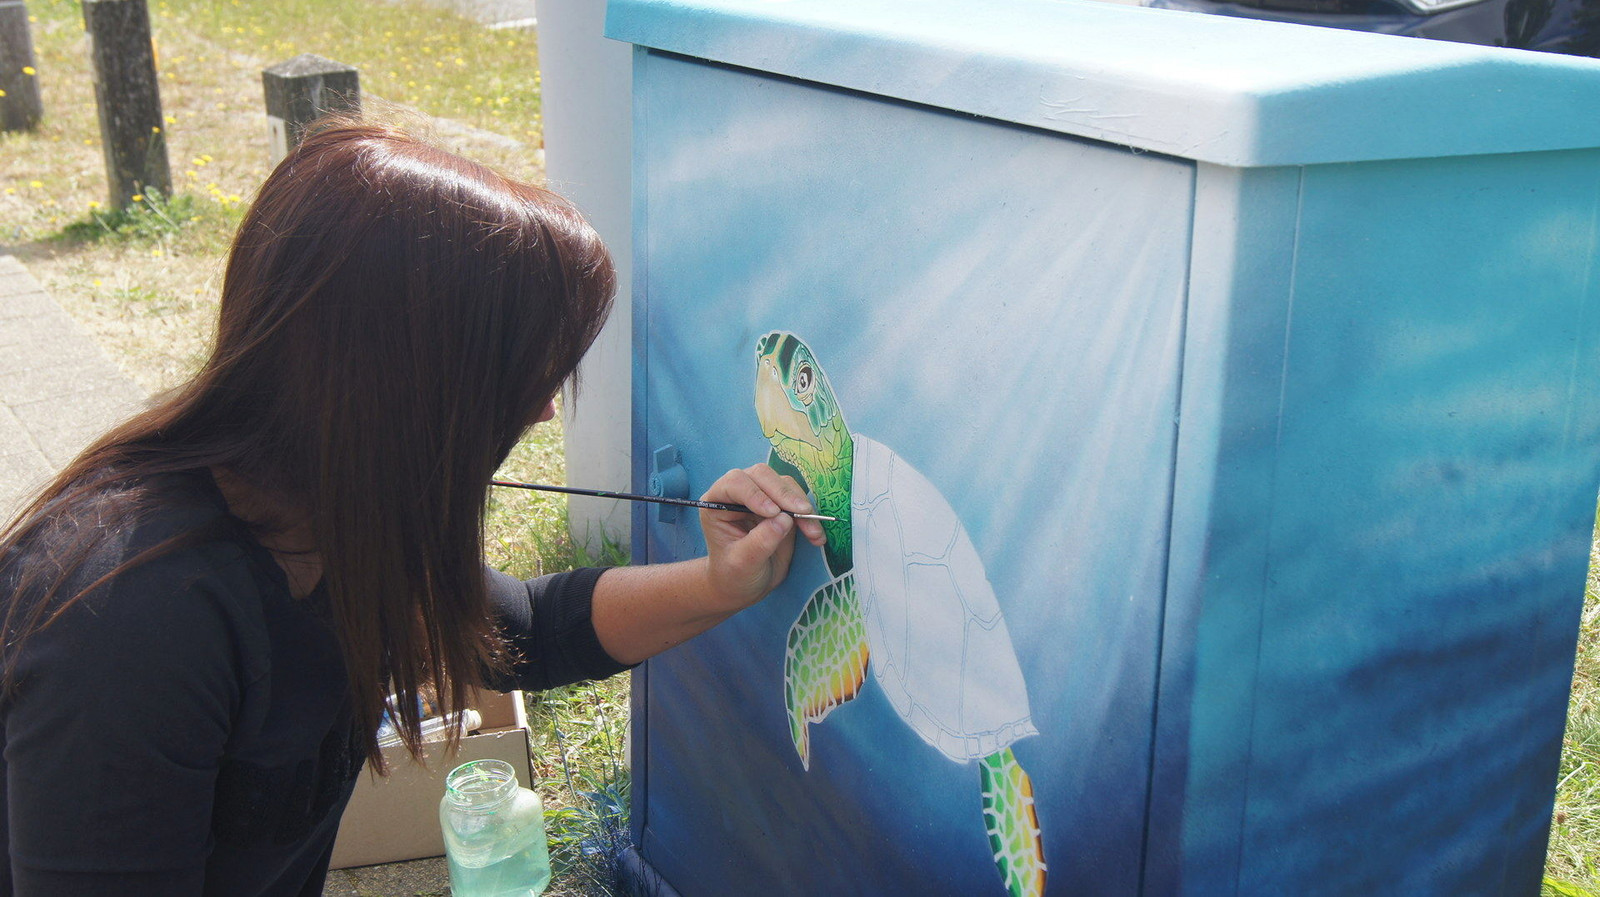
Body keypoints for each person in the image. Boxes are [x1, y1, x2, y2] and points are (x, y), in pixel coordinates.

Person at [0, 121, 824, 896]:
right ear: (408, 388)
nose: (541, 412)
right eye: (520, 375)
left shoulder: (333, 515)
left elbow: (524, 630)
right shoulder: (127, 628)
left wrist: (722, 584)